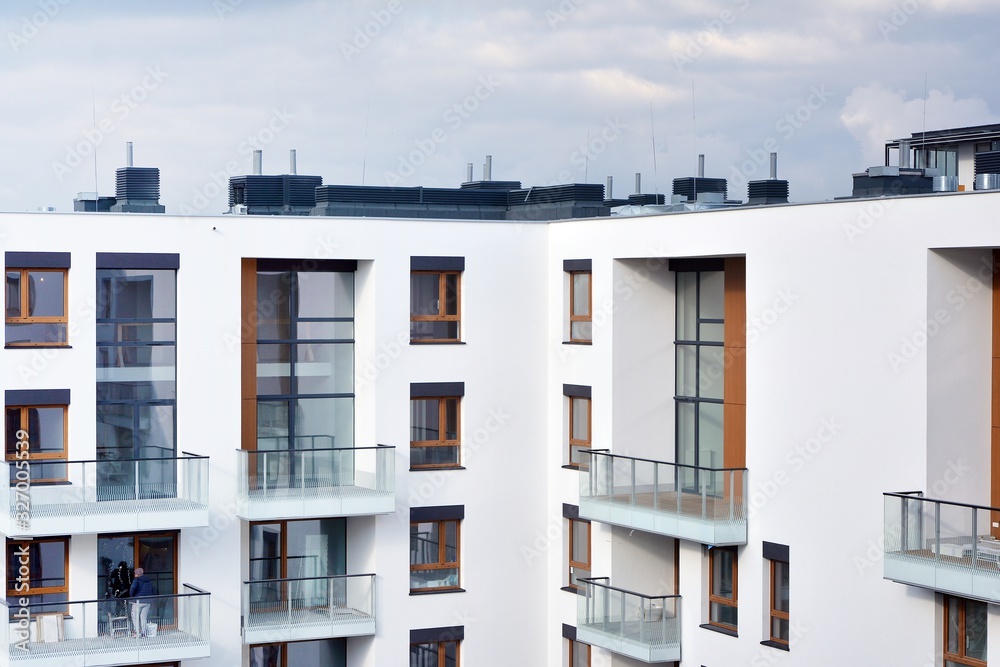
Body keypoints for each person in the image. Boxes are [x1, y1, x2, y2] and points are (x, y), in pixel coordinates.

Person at [129, 567, 156, 637]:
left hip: (139, 601)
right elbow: (153, 590)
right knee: (143, 617)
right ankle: (144, 633)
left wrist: (131, 595)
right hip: (148, 601)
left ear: (137, 574)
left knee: (134, 616)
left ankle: (137, 632)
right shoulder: (148, 580)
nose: (134, 575)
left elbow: (132, 590)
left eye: (135, 573)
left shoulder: (136, 580)